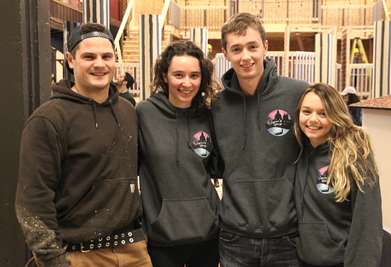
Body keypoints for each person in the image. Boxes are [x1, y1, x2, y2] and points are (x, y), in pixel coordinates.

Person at [15, 22, 152, 267]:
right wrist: (54, 262)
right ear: (70, 60)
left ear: (115, 58)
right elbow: (34, 204)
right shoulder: (48, 120)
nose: (99, 64)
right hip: (78, 255)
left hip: (134, 251)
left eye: (106, 56)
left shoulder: (128, 111)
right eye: (89, 56)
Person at [211, 12, 309, 267]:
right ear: (225, 53)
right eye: (237, 49)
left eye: (252, 47)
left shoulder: (298, 94)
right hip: (235, 239)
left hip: (289, 237)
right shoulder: (217, 106)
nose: (246, 56)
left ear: (265, 46)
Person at [136, 40, 223, 267]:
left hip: (207, 236)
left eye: (194, 75)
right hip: (162, 237)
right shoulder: (144, 113)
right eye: (179, 75)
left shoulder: (208, 116)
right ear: (165, 76)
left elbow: (217, 166)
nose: (187, 83)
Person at [293, 83, 383, 267]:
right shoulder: (300, 151)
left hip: (340, 262)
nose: (313, 119)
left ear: (335, 115)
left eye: (323, 113)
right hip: (302, 260)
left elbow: (368, 225)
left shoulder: (355, 156)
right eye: (307, 111)